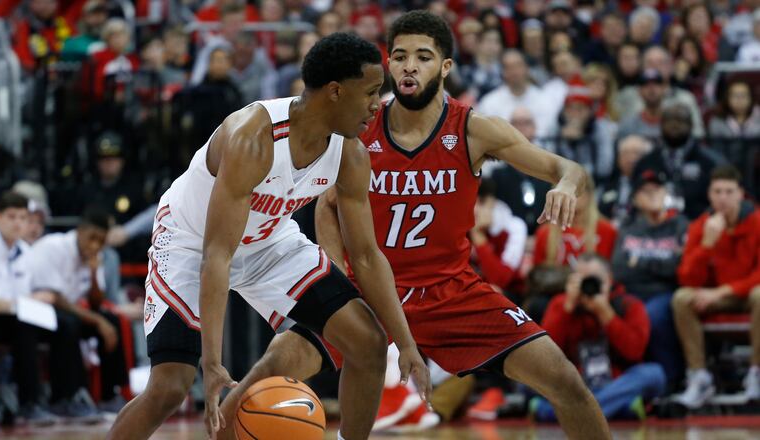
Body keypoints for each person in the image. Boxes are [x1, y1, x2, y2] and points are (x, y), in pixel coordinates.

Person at [220, 11, 610, 439]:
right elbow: (328, 205)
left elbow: (567, 167)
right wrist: (334, 271)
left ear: (444, 67)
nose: (409, 65)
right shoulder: (359, 128)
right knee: (279, 359)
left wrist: (568, 185)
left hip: (451, 290)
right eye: (400, 55)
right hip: (373, 289)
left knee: (564, 379)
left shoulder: (475, 130)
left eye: (423, 56)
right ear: (388, 66)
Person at [106, 33, 429, 440]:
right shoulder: (252, 138)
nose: (376, 104)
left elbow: (365, 256)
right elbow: (217, 255)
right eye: (369, 92)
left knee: (368, 342)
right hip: (192, 240)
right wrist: (211, 361)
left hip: (270, 240)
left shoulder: (350, 153)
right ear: (334, 92)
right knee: (171, 386)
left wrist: (408, 344)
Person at [0, 192, 88, 424]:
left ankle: (64, 398)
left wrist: (40, 298)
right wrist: (21, 303)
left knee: (66, 323)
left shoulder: (25, 251)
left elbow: (39, 292)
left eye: (23, 218)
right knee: (25, 326)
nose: (18, 223)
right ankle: (28, 403)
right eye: (11, 217)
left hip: (18, 313)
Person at [536, 253, 665, 421]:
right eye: (582, 280)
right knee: (527, 375)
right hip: (574, 382)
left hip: (616, 382)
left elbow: (634, 352)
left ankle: (563, 413)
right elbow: (545, 356)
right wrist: (567, 309)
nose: (589, 285)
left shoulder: (629, 304)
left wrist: (605, 313)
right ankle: (616, 408)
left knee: (654, 374)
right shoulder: (561, 303)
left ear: (609, 279)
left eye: (594, 279)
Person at [26, 207, 131, 413]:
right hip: (38, 310)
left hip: (67, 313)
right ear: (80, 231)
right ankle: (64, 398)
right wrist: (98, 321)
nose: (95, 245)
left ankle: (110, 394)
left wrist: (93, 274)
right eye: (92, 238)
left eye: (101, 241)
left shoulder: (94, 256)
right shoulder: (53, 246)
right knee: (71, 323)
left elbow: (95, 303)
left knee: (112, 319)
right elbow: (56, 299)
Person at [672, 165, 760, 408]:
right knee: (681, 297)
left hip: (745, 294)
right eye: (717, 191)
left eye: (729, 191)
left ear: (741, 194)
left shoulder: (757, 222)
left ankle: (756, 373)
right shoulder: (700, 226)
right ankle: (699, 376)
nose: (723, 198)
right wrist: (707, 245)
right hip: (715, 296)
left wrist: (721, 292)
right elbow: (687, 278)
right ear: (709, 194)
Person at [611, 170, 688, 384]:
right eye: (645, 191)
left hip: (664, 292)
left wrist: (639, 262)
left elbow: (677, 268)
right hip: (630, 292)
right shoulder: (628, 228)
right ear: (635, 198)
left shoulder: (680, 225)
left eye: (657, 190)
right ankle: (625, 377)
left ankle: (669, 379)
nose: (653, 195)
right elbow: (619, 269)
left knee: (652, 316)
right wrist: (660, 264)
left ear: (666, 194)